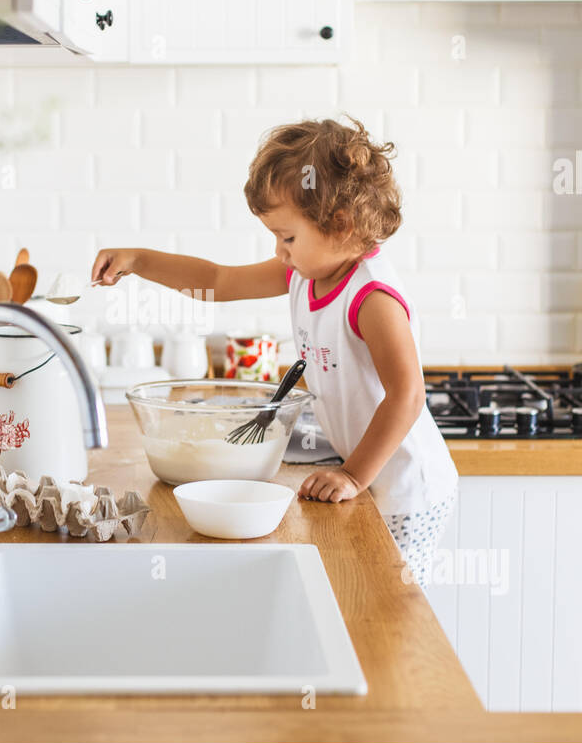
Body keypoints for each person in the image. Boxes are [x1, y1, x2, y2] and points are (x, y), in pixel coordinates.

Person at [90, 117, 458, 586]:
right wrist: (139, 261)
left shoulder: (372, 298)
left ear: (341, 226)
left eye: (287, 237)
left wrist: (351, 475)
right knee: (355, 596)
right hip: (367, 479)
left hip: (407, 487)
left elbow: (407, 396)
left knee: (390, 607)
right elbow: (218, 282)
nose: (280, 252)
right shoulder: (307, 270)